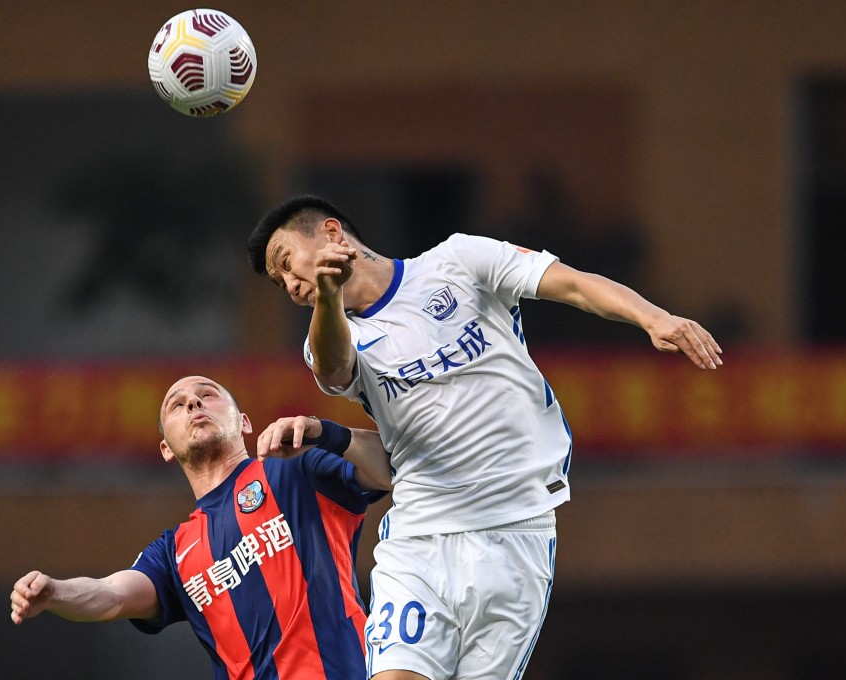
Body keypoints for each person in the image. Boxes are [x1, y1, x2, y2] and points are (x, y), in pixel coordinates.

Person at [246, 195, 722, 680]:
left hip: (515, 534)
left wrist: (653, 318)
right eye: (280, 282)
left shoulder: (458, 260)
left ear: (331, 233)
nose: (290, 285)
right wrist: (327, 296)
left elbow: (574, 286)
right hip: (420, 537)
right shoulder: (329, 335)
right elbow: (332, 365)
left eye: (287, 264)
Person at [10, 374, 392, 679]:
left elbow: (392, 471)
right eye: (176, 404)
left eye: (207, 395)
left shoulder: (293, 468)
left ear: (243, 422)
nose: (192, 402)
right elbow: (111, 594)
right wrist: (55, 592)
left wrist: (328, 434)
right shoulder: (175, 550)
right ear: (165, 448)